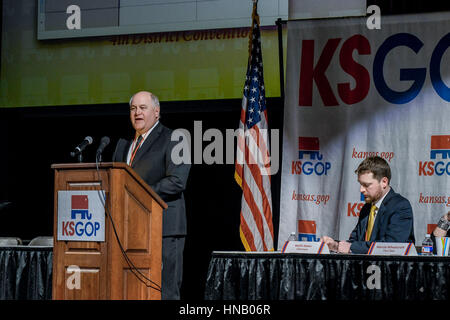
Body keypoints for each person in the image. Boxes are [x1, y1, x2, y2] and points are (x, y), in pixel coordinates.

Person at [112, 91, 190, 299]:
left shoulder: (175, 138)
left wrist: (136, 193)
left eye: (143, 108)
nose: (137, 113)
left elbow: (177, 181)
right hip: (129, 232)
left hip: (163, 228)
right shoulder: (123, 146)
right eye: (133, 108)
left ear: (156, 112)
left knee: (165, 292)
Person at [323, 156, 415, 254]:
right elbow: (356, 241)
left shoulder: (400, 206)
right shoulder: (367, 208)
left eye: (366, 185)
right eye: (360, 184)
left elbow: (390, 246)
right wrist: (335, 245)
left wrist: (350, 247)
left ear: (384, 182)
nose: (361, 190)